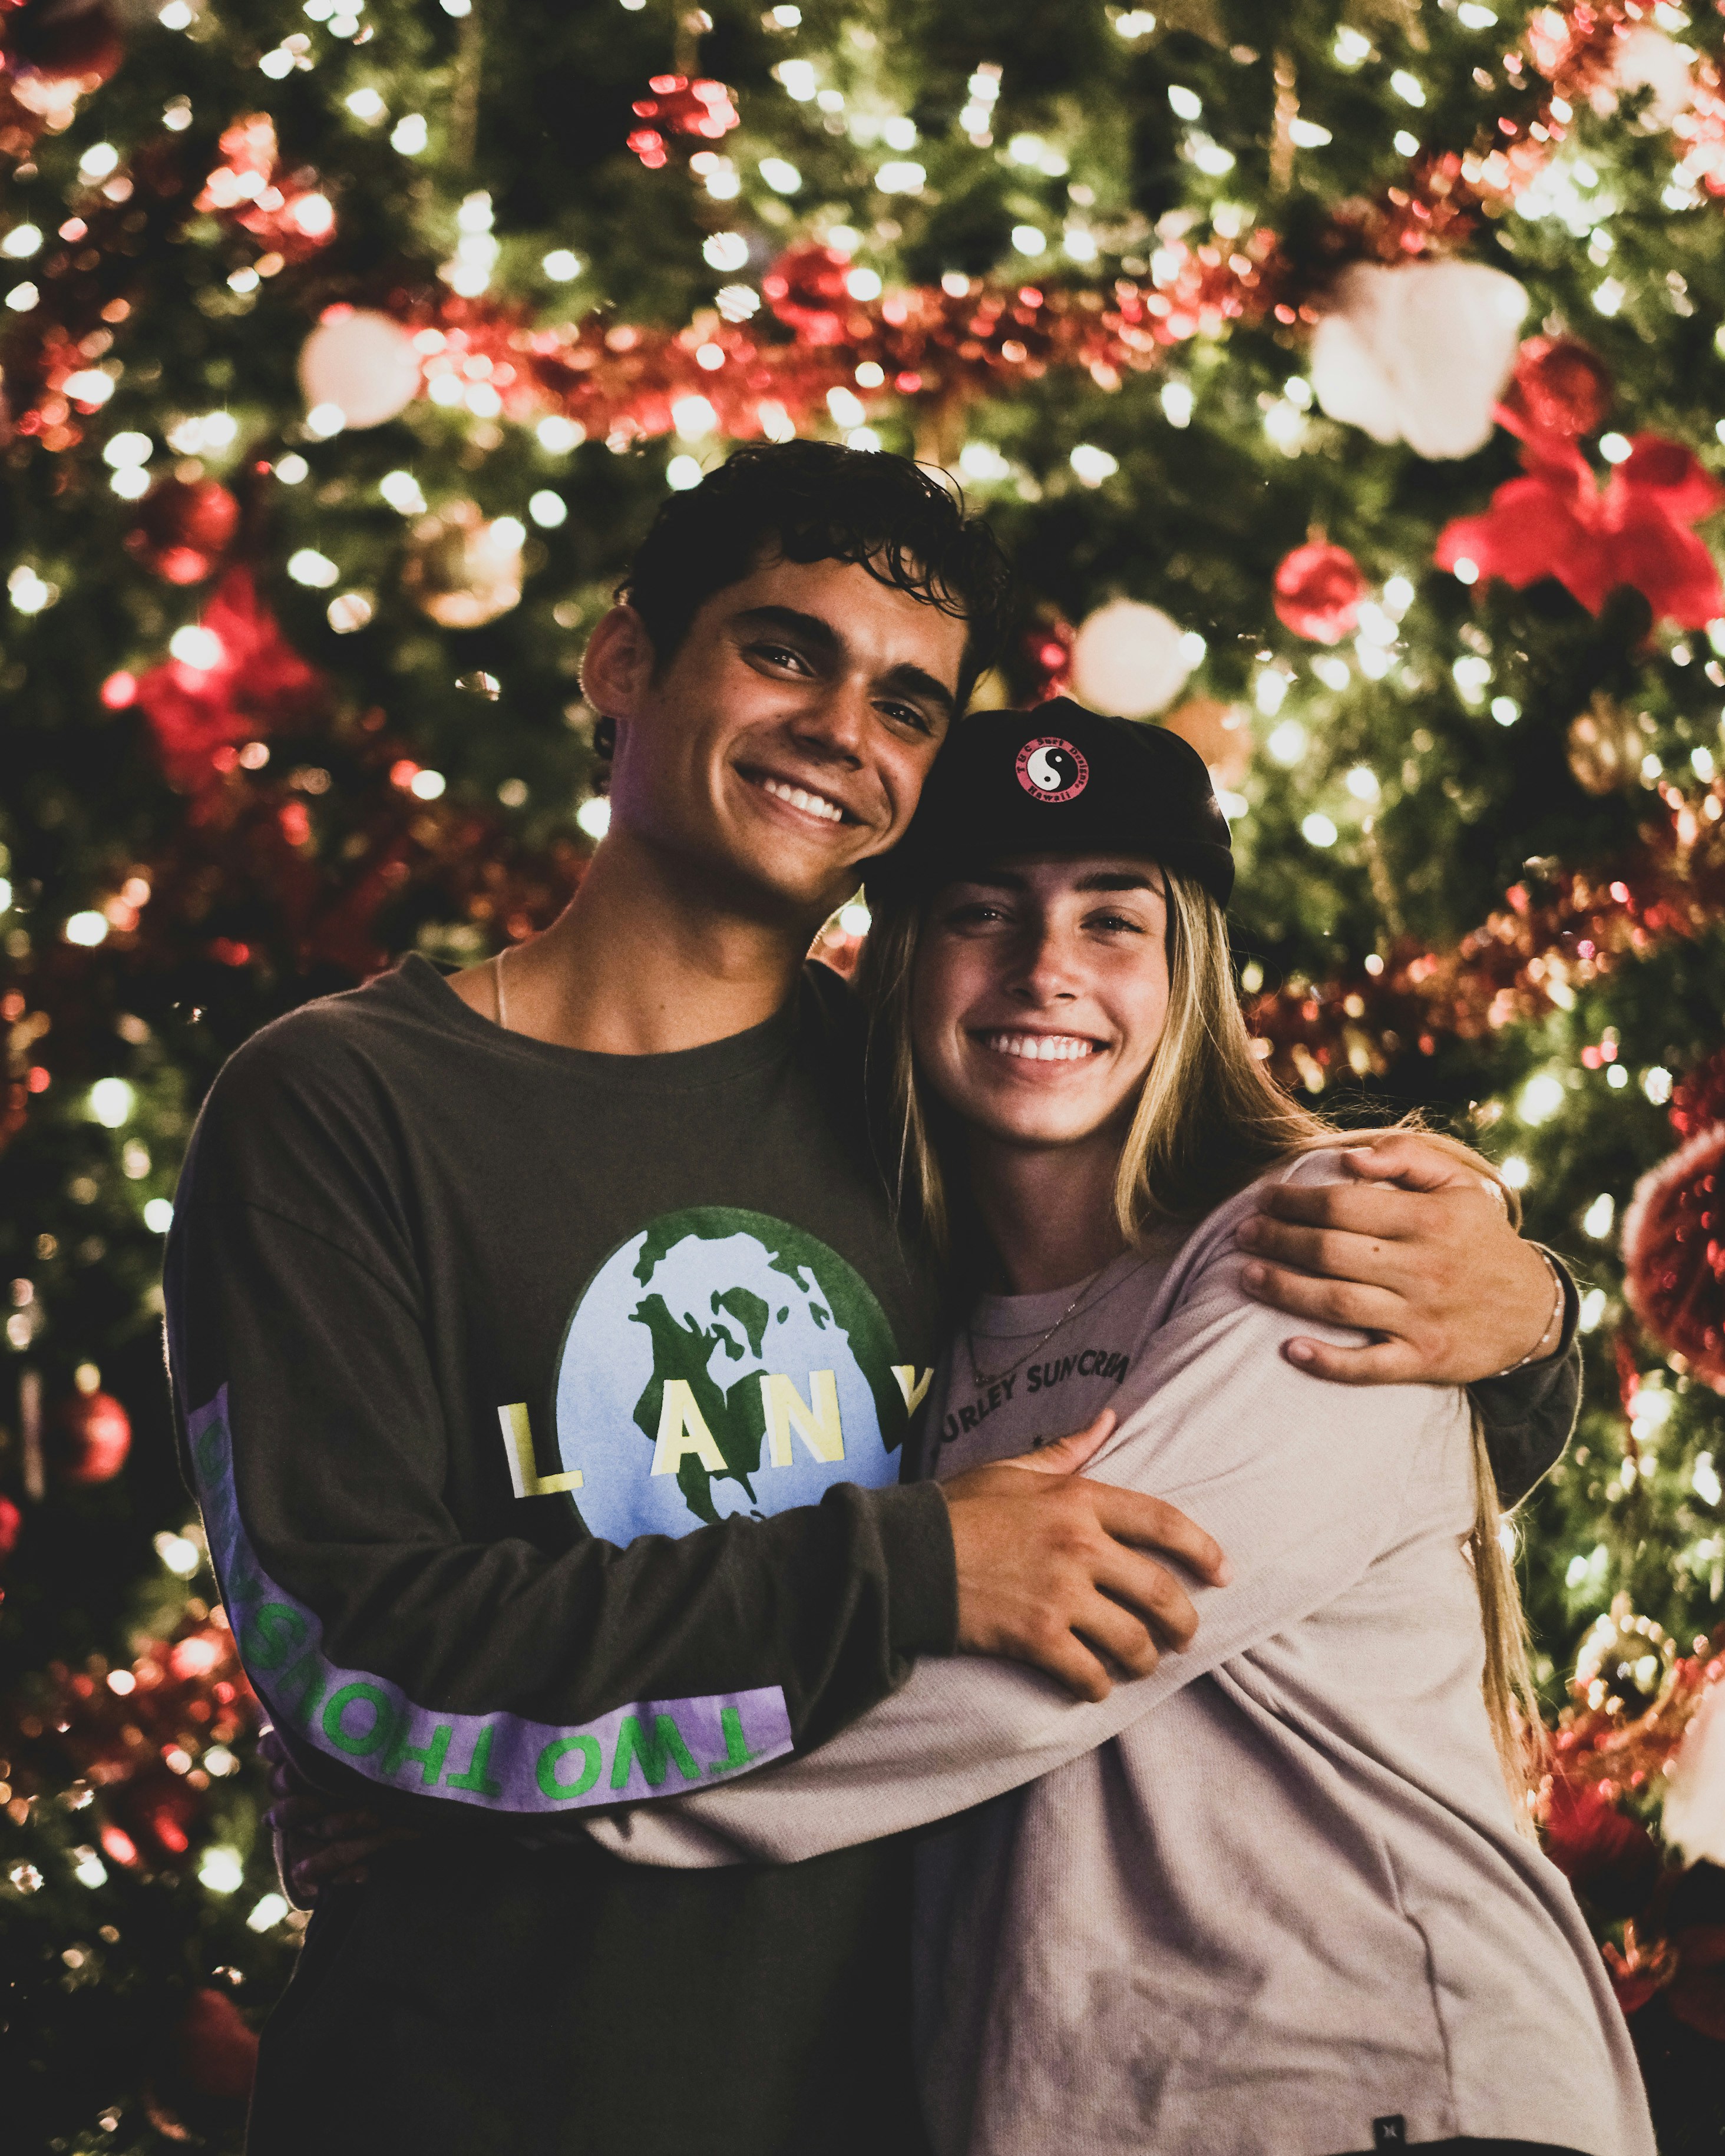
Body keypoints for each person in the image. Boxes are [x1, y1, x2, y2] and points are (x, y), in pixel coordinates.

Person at [164, 445, 1580, 2156]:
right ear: (624, 663)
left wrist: (1530, 1322)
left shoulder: (928, 1110)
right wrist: (925, 1565)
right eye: (783, 650)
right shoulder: (338, 1101)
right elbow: (359, 1650)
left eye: (910, 702)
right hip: (476, 2086)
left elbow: (1210, 1416)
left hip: (883, 2100)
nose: (845, 728)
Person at [583, 702, 1651, 2156]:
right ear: (899, 959)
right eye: (981, 912)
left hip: (1382, 2094)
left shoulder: (1320, 1237)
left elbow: (1044, 1656)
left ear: (1187, 972)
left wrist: (523, 1787)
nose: (1045, 972)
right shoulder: (907, 1333)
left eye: (1113, 921)